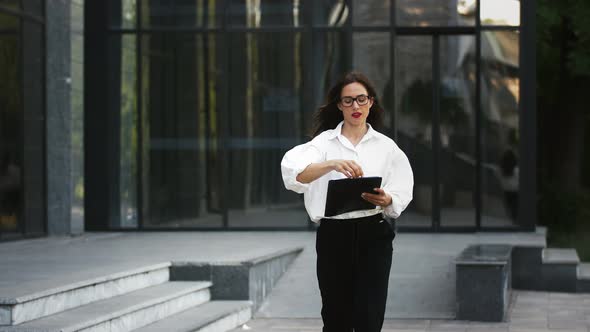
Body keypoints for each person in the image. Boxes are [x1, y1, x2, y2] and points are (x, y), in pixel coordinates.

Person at [281, 72, 414, 332]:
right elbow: (295, 174)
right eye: (349, 100)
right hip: (334, 236)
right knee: (335, 316)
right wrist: (331, 163)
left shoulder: (387, 147)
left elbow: (401, 190)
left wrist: (386, 198)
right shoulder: (322, 144)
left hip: (373, 234)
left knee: (370, 315)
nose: (356, 106)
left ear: (371, 102)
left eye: (361, 99)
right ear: (339, 105)